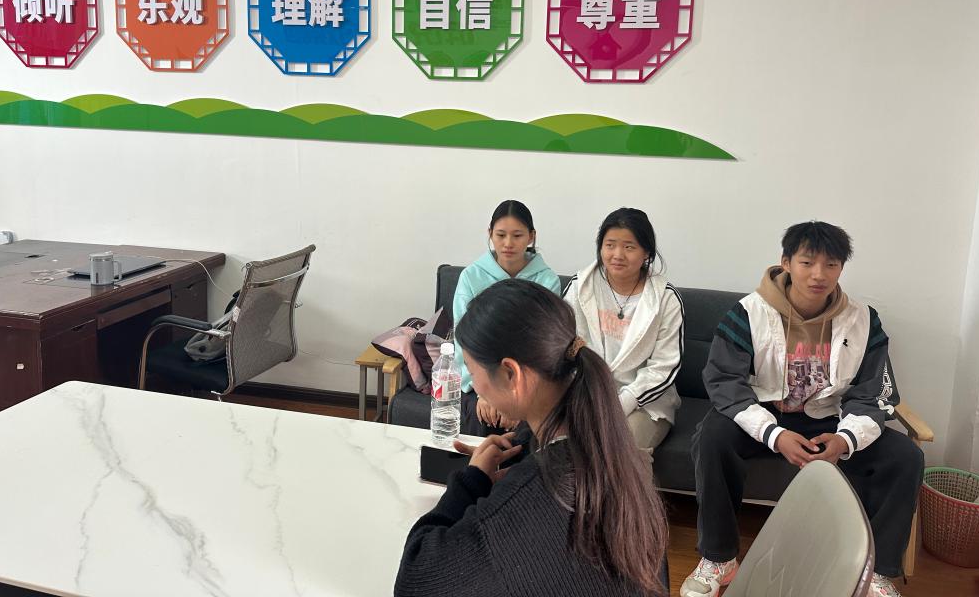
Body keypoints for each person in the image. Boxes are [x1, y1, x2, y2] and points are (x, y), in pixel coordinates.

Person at [682, 222, 924, 597]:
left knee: (906, 456)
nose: (818, 275)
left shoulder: (863, 320)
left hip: (831, 419)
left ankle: (878, 572)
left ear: (841, 268)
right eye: (807, 262)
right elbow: (724, 381)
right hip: (764, 414)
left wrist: (845, 440)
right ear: (786, 262)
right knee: (712, 437)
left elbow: (874, 391)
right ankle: (720, 557)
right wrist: (774, 434)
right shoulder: (749, 313)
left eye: (831, 265)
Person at [395, 280, 668, 597]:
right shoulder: (607, 445)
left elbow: (415, 580)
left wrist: (471, 480)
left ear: (511, 374)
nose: (475, 386)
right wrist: (520, 454)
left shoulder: (542, 492)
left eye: (470, 369)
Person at [565, 208, 683, 459]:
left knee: (622, 447)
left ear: (646, 253)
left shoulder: (666, 299)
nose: (617, 255)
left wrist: (620, 404)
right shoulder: (580, 287)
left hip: (644, 403)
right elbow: (564, 347)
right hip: (587, 394)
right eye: (610, 245)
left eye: (629, 247)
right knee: (561, 440)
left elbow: (664, 367)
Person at [452, 200, 562, 435]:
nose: (508, 243)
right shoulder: (471, 277)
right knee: (479, 418)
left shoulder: (547, 280)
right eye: (501, 235)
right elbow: (463, 341)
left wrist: (516, 396)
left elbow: (543, 343)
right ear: (490, 234)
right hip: (479, 380)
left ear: (531, 236)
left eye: (517, 235)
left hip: (527, 385)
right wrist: (484, 392)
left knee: (525, 428)